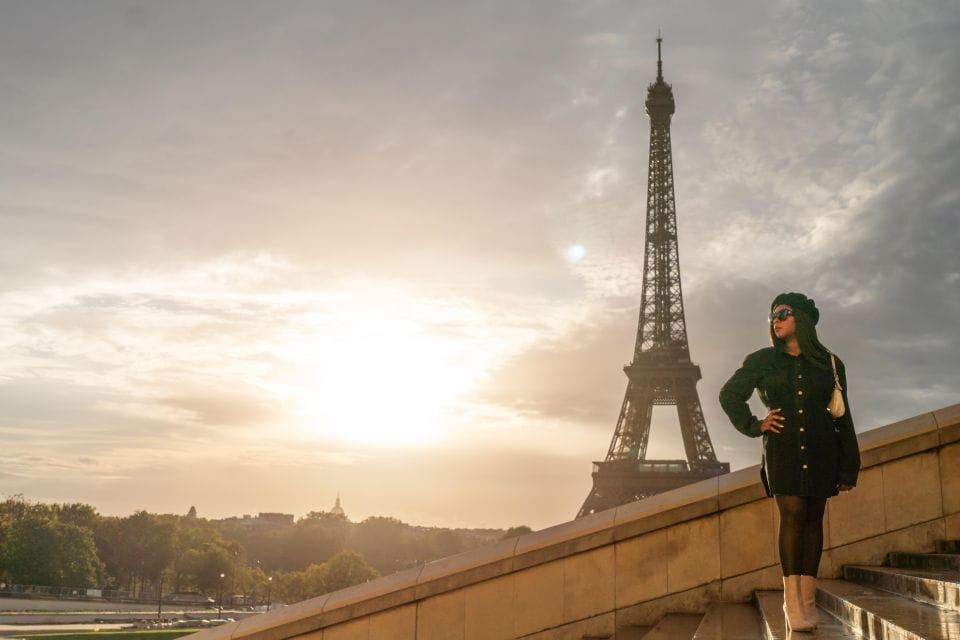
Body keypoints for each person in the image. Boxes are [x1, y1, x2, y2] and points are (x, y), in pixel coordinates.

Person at [719, 292, 860, 632]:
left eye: (782, 313)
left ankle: (807, 600)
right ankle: (791, 601)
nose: (775, 320)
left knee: (813, 518)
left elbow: (842, 416)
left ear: (803, 319)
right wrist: (755, 425)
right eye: (772, 316)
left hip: (822, 449)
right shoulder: (763, 360)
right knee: (793, 513)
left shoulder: (829, 363)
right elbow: (729, 395)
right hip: (782, 451)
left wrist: (849, 465)